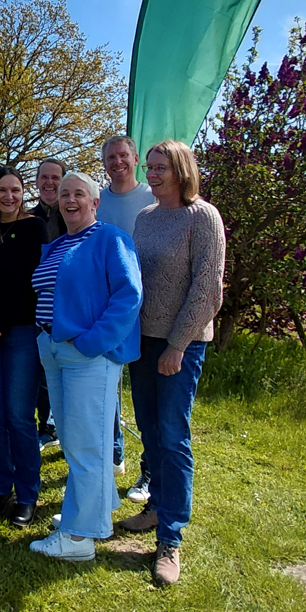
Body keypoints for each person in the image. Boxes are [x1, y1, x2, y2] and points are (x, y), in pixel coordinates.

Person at [121, 140, 226, 586]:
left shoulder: (203, 217)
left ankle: (171, 539)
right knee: (149, 428)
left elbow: (208, 290)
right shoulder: (145, 218)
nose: (153, 174)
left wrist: (178, 345)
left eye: (161, 167)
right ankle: (157, 507)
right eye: (150, 167)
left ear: (182, 169)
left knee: (173, 435)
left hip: (180, 345)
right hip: (143, 342)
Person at [29, 171, 142, 562]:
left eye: (80, 194)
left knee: (85, 443)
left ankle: (78, 538)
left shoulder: (110, 238)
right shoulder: (59, 243)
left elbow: (128, 296)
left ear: (95, 203)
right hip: (54, 350)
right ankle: (96, 506)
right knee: (78, 438)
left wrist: (93, 343)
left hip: (87, 355)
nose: (70, 200)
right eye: (64, 195)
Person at [0, 168, 47, 527]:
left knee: (19, 415)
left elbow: (28, 283)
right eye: (1, 190)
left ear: (23, 193)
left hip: (20, 332)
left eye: (15, 190)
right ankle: (1, 488)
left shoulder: (35, 229)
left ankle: (27, 494)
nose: (8, 196)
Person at [98, 136, 156, 500]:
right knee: (106, 393)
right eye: (110, 157)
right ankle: (110, 457)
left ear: (135, 159)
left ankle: (148, 473)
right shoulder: (97, 201)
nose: (117, 162)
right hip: (108, 313)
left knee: (148, 400)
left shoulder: (153, 198)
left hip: (150, 311)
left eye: (123, 156)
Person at [31, 157, 67, 449]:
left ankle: (60, 427)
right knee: (41, 370)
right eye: (44, 177)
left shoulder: (74, 217)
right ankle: (46, 426)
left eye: (56, 177)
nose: (49, 183)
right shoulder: (28, 218)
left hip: (69, 308)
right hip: (34, 307)